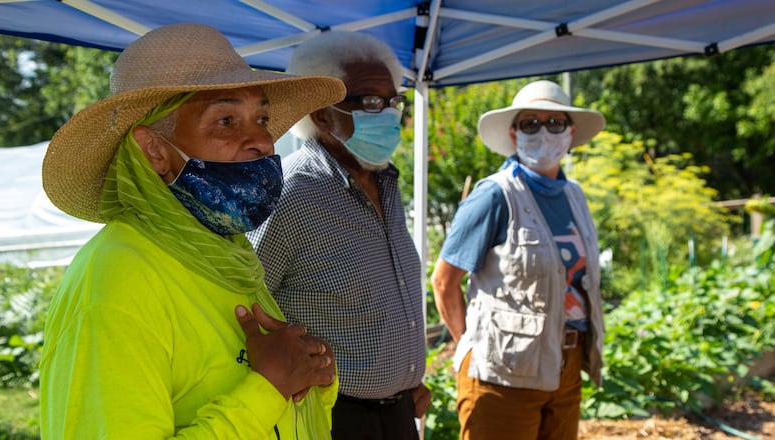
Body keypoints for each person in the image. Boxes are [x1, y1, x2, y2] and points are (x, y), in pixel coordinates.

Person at [39, 23, 348, 439]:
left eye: (261, 117)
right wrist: (269, 387)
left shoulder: (224, 254)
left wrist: (312, 378)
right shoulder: (117, 280)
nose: (262, 141)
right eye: (225, 120)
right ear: (154, 152)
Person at [246, 31, 431, 440]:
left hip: (399, 411)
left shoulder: (386, 183)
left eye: (392, 101)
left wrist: (408, 374)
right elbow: (245, 304)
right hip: (330, 418)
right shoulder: (291, 193)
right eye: (368, 102)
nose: (386, 113)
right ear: (322, 115)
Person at [430, 80, 606, 440]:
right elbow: (444, 281)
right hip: (501, 374)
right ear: (514, 133)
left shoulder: (574, 196)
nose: (544, 132)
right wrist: (473, 345)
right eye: (531, 123)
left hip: (566, 367)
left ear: (570, 132)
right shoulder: (494, 195)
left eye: (554, 123)